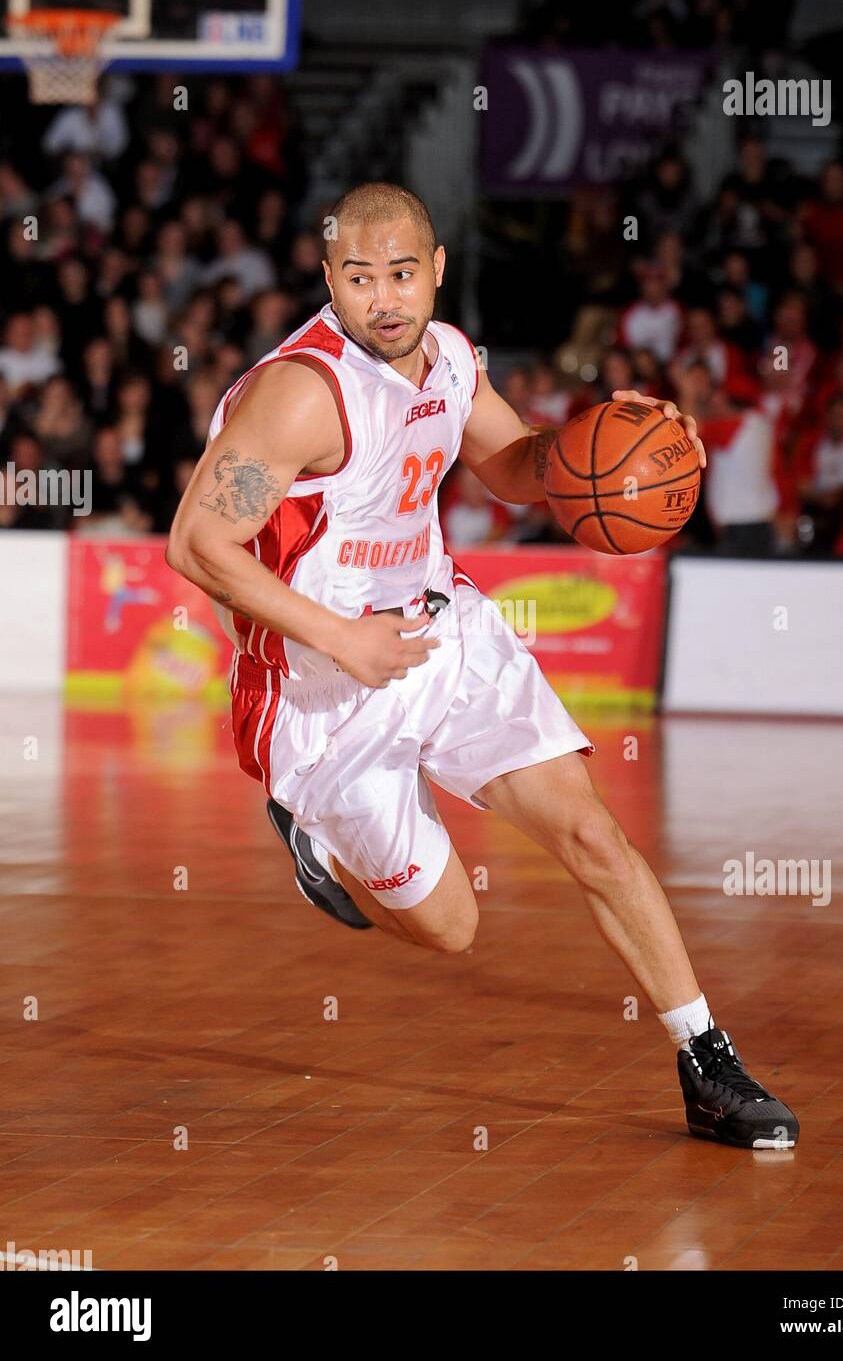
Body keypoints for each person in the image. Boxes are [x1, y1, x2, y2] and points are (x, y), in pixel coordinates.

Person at [166, 183, 799, 1151]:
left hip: (444, 630)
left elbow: (513, 466)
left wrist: (612, 444)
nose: (384, 297)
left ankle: (704, 1060)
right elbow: (198, 543)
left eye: (403, 273)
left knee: (590, 832)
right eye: (360, 277)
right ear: (328, 277)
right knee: (452, 929)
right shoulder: (299, 391)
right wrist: (342, 639)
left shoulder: (452, 358)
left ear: (437, 270)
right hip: (321, 684)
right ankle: (319, 834)